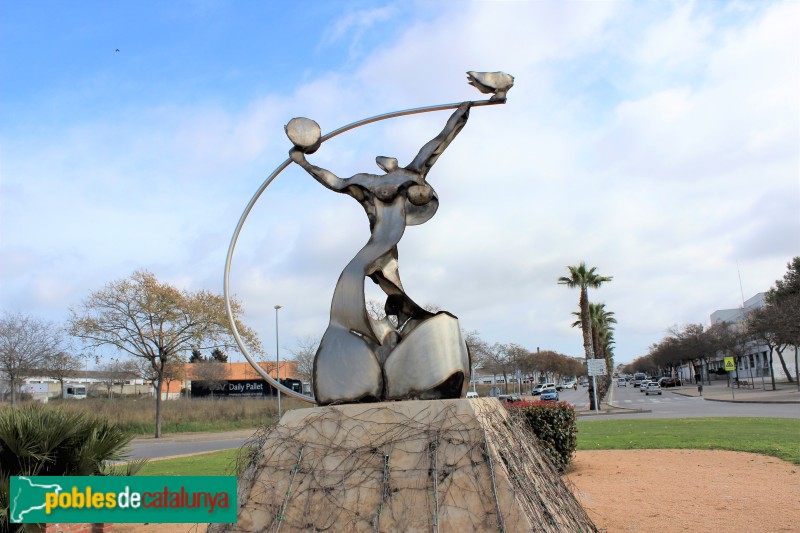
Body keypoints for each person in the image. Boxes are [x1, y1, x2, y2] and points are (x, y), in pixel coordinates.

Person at [287, 103, 472, 404]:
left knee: (399, 296)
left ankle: (401, 347)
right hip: (374, 249)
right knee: (355, 287)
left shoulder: (412, 174)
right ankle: (357, 362)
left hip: (386, 253)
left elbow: (442, 139)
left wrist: (465, 110)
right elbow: (334, 181)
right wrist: (303, 164)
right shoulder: (368, 182)